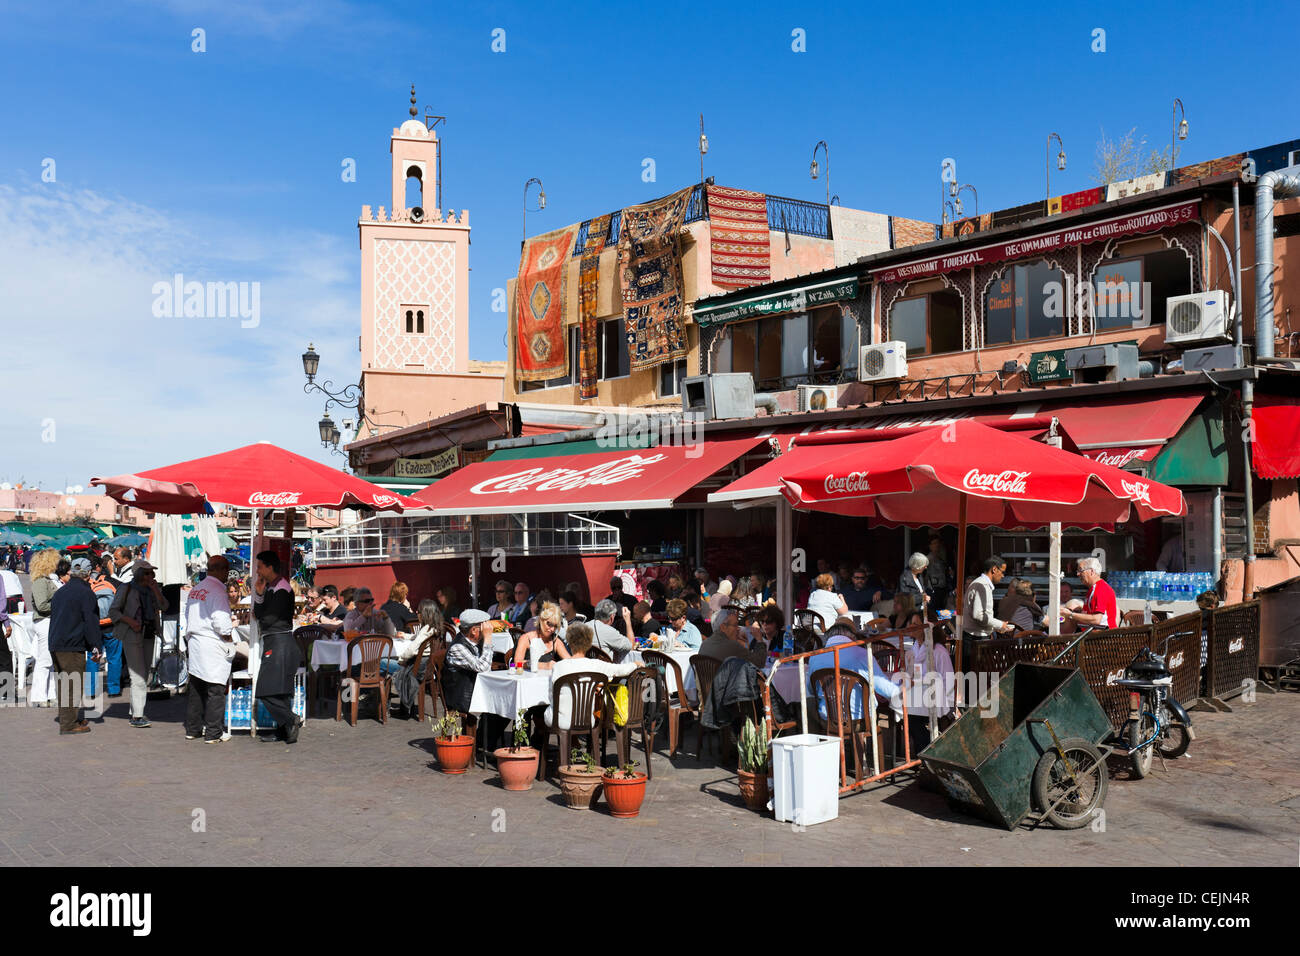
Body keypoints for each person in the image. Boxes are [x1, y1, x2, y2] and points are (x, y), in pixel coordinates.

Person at [542, 622, 640, 732]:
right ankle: (575, 744)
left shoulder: (559, 666)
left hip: (559, 720)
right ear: (589, 644)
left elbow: (551, 695)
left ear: (569, 642)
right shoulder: (596, 665)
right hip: (589, 720)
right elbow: (621, 670)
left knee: (543, 708)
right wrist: (636, 664)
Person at [806, 622, 903, 727]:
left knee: (809, 704)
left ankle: (822, 741)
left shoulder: (814, 657)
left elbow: (811, 690)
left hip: (827, 719)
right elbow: (886, 690)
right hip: (859, 719)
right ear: (852, 637)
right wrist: (904, 687)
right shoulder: (862, 654)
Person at [251, 550, 303, 744]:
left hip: (279, 642)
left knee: (264, 691)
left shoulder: (281, 588)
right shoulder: (273, 587)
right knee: (279, 692)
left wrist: (261, 610)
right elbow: (260, 613)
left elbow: (268, 617)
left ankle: (290, 719)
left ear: (269, 567)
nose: (257, 570)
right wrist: (258, 593)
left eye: (259, 566)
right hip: (276, 641)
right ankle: (284, 731)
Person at [184, 555, 237, 743]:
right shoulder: (218, 591)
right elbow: (222, 623)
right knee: (216, 689)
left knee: (197, 687)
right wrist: (229, 641)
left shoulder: (196, 589)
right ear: (222, 570)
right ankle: (213, 732)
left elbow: (187, 615)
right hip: (212, 643)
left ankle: (193, 729)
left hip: (195, 642)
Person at [109, 559, 168, 727]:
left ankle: (135, 710)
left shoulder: (152, 590)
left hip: (149, 634)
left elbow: (164, 606)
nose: (151, 576)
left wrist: (156, 590)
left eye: (152, 573)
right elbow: (113, 611)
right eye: (148, 573)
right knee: (138, 676)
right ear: (140, 574)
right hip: (132, 635)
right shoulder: (126, 588)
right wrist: (129, 621)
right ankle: (137, 717)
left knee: (144, 674)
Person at [49, 558, 104, 735]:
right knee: (72, 683)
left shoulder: (61, 592)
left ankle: (68, 718)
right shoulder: (86, 593)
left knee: (64, 683)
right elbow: (91, 622)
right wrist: (96, 647)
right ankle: (68, 724)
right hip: (71, 644)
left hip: (56, 643)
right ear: (88, 574)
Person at [392, 599, 446, 717]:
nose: (417, 613)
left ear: (426, 613)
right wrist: (405, 635)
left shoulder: (426, 629)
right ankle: (405, 707)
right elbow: (418, 637)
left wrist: (401, 660)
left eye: (419, 611)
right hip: (429, 666)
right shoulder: (434, 628)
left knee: (384, 664)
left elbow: (412, 649)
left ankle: (394, 707)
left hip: (419, 668)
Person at [28, 548, 64, 707]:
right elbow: (42, 606)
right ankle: (39, 696)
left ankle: (49, 694)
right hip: (44, 622)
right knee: (44, 661)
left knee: (49, 661)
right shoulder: (41, 582)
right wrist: (61, 604)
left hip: (48, 621)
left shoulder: (45, 580)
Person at [89, 555, 122, 697]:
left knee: (93, 657)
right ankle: (113, 689)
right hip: (112, 624)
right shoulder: (112, 581)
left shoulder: (86, 584)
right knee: (114, 658)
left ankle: (91, 690)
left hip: (94, 626)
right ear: (99, 566)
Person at [963, 555, 1014, 644]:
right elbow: (979, 615)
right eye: (1002, 572)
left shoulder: (981, 583)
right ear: (994, 569)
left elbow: (981, 616)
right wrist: (1000, 624)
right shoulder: (982, 585)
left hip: (975, 635)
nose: (1002, 576)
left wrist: (996, 626)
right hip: (976, 638)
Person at [1063, 557, 1118, 630]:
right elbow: (1088, 615)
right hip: (1094, 635)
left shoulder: (1101, 589)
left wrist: (1070, 614)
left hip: (1103, 637)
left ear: (1092, 571)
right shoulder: (1093, 589)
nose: (1078, 574)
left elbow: (1096, 619)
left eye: (1080, 570)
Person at [701, 607, 766, 667]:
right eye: (735, 625)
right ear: (723, 627)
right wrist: (759, 639)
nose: (738, 628)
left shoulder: (705, 643)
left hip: (705, 679)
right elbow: (760, 663)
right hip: (723, 679)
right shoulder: (732, 646)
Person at [512, 603, 570, 670]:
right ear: (541, 620)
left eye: (555, 626)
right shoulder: (526, 638)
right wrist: (543, 665)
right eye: (549, 624)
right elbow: (517, 663)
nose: (552, 629)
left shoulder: (555, 641)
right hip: (526, 678)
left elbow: (569, 661)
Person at [925, 535, 951, 611]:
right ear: (930, 546)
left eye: (938, 543)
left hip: (942, 590)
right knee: (933, 612)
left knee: (941, 612)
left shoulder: (940, 559)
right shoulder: (928, 559)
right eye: (934, 543)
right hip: (933, 590)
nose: (937, 545)